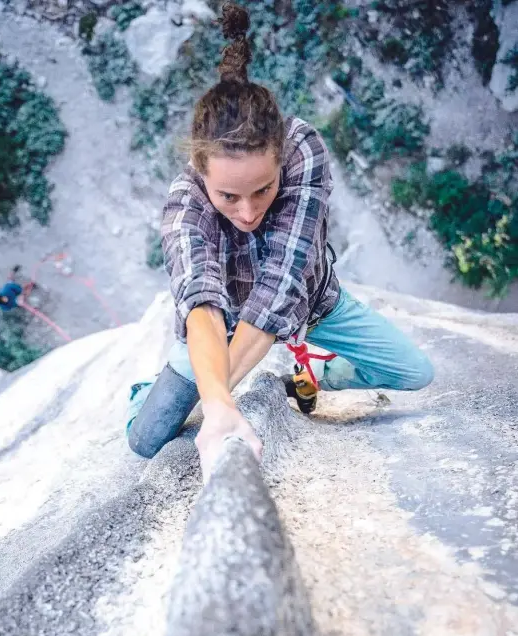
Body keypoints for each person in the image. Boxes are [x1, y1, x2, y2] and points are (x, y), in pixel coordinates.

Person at [126, 2, 434, 482]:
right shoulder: (183, 206)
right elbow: (201, 304)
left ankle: (312, 375)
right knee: (147, 439)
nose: (248, 212)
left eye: (263, 190)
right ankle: (147, 390)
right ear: (200, 176)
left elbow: (284, 280)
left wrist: (216, 400)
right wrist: (218, 401)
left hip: (312, 301)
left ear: (280, 160)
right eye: (228, 195)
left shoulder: (303, 151)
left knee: (414, 372)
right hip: (225, 322)